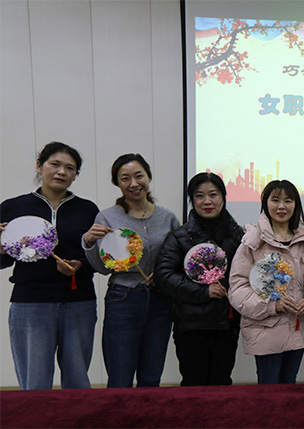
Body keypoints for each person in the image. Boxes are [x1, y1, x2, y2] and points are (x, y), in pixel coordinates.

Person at [0, 142, 99, 390]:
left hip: (79, 302)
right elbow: (3, 260)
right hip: (30, 303)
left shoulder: (88, 209)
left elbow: (98, 258)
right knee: (34, 383)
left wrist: (81, 264)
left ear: (75, 174)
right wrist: (1, 248)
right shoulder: (13, 207)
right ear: (39, 166)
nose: (61, 172)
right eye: (55, 164)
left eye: (70, 168)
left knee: (77, 381)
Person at [83, 153, 179, 388]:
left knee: (151, 376)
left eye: (139, 176)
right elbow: (101, 267)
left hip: (160, 300)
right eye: (125, 178)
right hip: (123, 298)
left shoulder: (168, 217)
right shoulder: (107, 217)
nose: (134, 183)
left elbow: (177, 257)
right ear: (117, 183)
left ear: (149, 177)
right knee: (120, 376)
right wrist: (88, 242)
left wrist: (165, 275)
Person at [154, 173, 243, 386]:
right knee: (194, 384)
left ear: (223, 197)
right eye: (199, 196)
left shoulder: (239, 235)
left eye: (213, 194)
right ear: (192, 200)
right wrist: (203, 292)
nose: (207, 201)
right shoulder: (179, 236)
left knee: (222, 382)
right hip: (191, 325)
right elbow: (163, 275)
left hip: (227, 323)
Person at [229, 180, 304, 384]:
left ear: (296, 205)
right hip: (265, 329)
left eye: (288, 201)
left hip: (298, 327)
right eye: (275, 200)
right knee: (268, 389)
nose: (281, 206)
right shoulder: (252, 242)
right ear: (265, 203)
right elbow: (237, 289)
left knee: (289, 384)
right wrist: (272, 305)